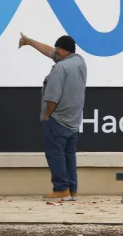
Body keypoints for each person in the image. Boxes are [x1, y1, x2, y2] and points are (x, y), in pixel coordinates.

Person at [18, 32, 87, 201]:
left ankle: (60, 189)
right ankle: (72, 190)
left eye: (58, 49)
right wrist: (29, 41)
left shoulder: (59, 68)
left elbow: (52, 98)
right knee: (69, 155)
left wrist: (48, 115)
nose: (55, 52)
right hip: (74, 120)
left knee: (55, 154)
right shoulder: (79, 62)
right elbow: (49, 51)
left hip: (58, 120)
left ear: (65, 51)